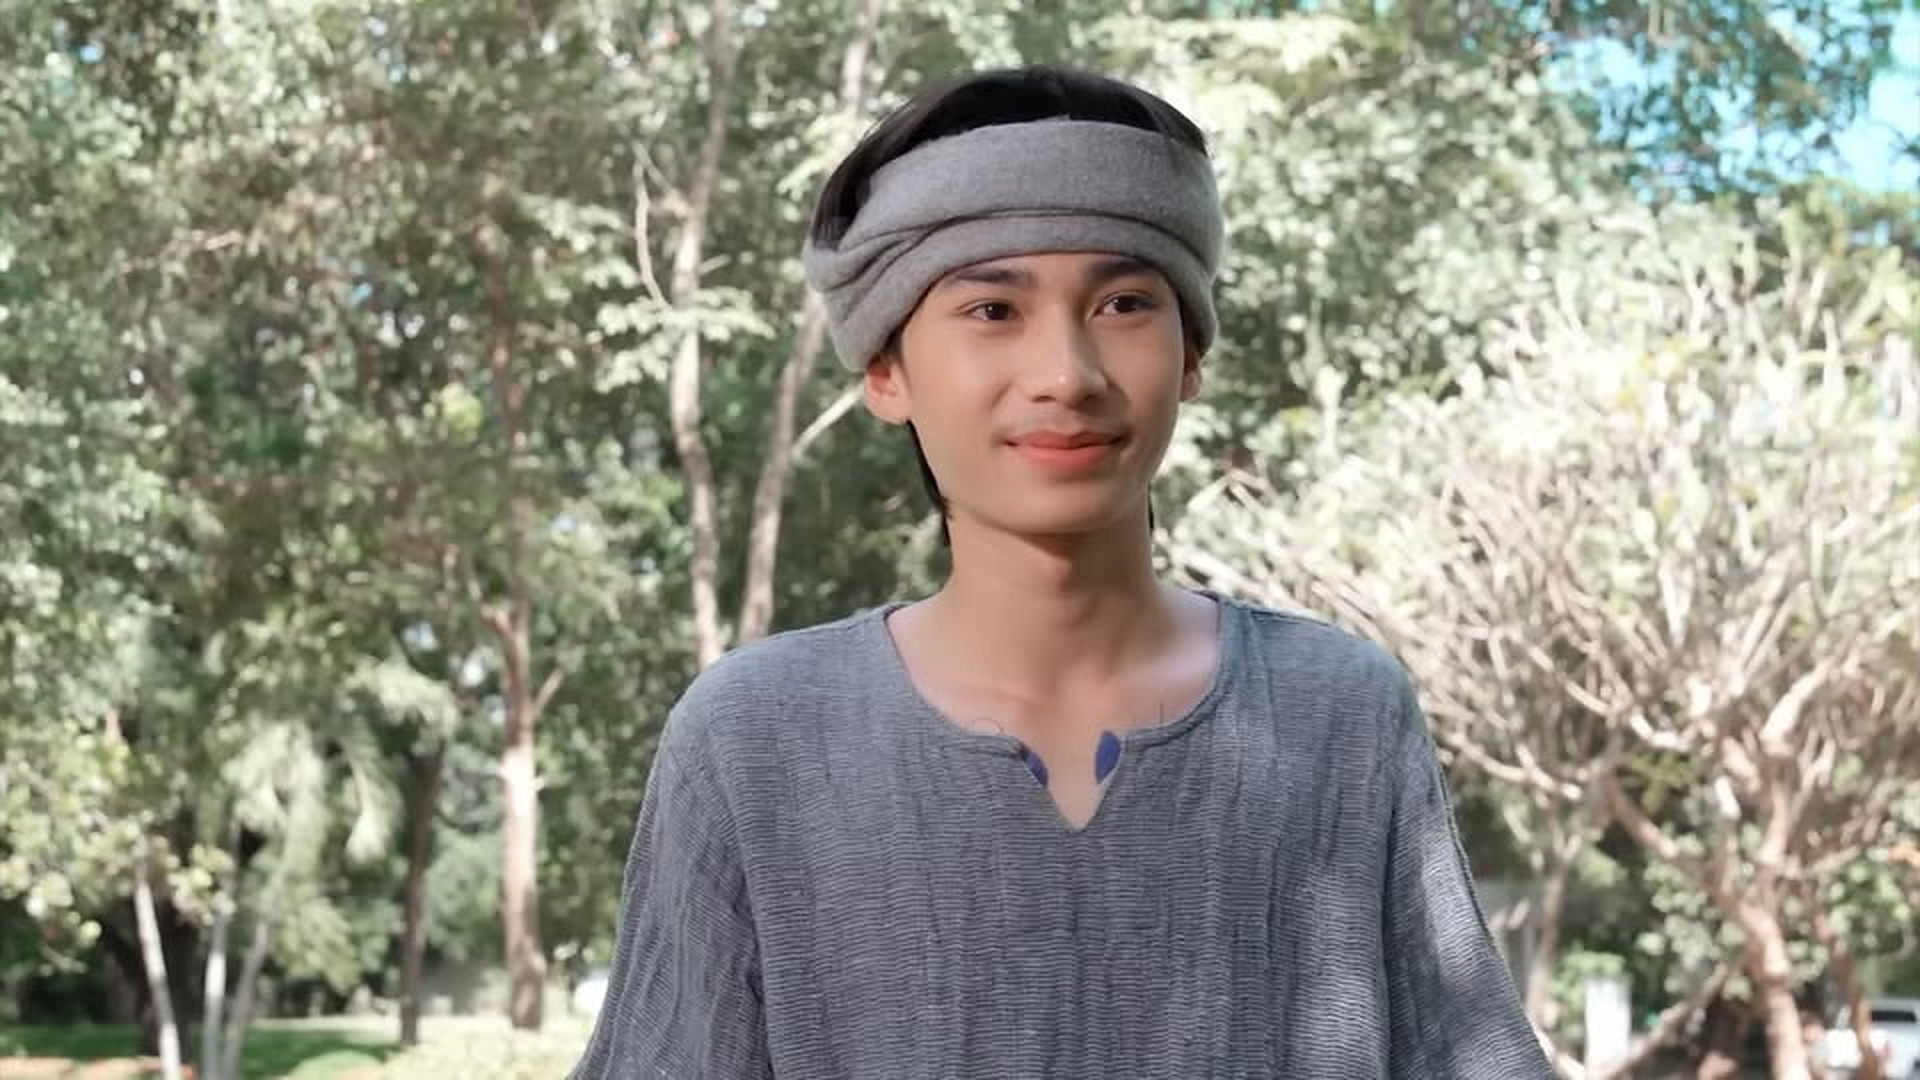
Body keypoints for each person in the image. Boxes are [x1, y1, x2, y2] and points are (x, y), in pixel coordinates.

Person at [571, 65, 1552, 1079]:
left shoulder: (1339, 716)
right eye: (993, 310)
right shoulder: (753, 743)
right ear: (885, 370)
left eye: (1124, 303)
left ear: (1192, 355)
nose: (1067, 376)